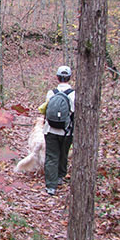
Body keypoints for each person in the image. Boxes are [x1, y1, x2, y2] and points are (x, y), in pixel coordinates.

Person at [43, 65, 75, 196]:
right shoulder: (74, 94)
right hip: (67, 131)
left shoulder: (51, 93)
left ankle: (51, 186)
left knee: (51, 156)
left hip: (50, 130)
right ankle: (61, 176)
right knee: (63, 153)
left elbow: (46, 110)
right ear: (69, 77)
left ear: (57, 77)